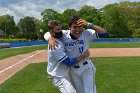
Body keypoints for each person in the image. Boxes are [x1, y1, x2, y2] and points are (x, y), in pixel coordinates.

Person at [44, 15, 108, 93]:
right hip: (73, 70)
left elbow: (105, 33)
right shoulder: (63, 34)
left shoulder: (86, 33)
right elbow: (48, 32)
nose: (77, 30)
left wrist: (89, 24)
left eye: (80, 27)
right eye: (74, 27)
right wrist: (49, 38)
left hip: (86, 67)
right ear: (69, 27)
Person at [46, 20, 90, 93]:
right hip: (58, 75)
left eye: (60, 29)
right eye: (57, 30)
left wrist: (49, 38)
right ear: (51, 32)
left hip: (64, 73)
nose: (60, 31)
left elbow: (47, 33)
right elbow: (68, 62)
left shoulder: (59, 39)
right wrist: (84, 55)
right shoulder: (54, 45)